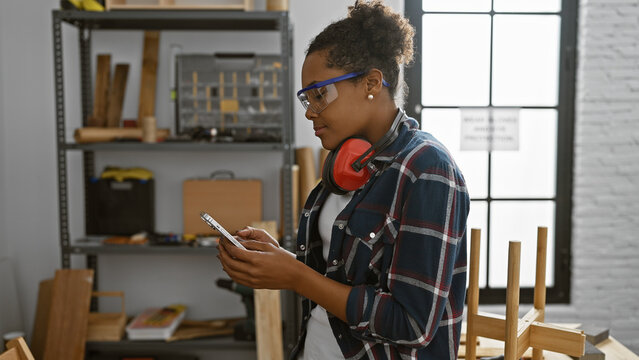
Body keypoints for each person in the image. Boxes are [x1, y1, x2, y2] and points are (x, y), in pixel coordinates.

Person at [217, 1, 470, 359]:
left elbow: (412, 324)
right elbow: (344, 279)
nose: (309, 110)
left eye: (320, 94)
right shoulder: (345, 162)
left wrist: (295, 276)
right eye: (307, 97)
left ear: (371, 83)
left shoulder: (428, 170)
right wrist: (282, 261)